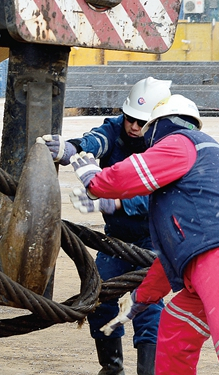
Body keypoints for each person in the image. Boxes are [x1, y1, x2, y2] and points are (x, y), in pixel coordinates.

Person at [69, 94, 219, 375]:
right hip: (213, 263)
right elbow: (171, 255)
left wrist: (93, 179)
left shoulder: (180, 143)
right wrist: (139, 299)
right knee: (175, 331)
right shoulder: (190, 175)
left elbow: (129, 175)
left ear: (158, 125)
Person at [41, 77, 172, 375]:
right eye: (131, 119)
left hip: (151, 241)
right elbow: (96, 141)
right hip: (116, 239)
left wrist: (115, 203)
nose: (134, 127)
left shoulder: (165, 145)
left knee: (147, 305)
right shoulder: (115, 130)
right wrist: (71, 148)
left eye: (142, 122)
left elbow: (160, 197)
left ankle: (147, 371)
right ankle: (112, 367)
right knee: (99, 298)